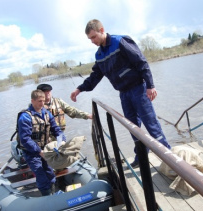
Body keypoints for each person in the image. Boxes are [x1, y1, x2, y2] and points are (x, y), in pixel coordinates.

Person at [70, 19, 170, 168]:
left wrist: (150, 85)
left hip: (139, 89)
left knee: (151, 124)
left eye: (93, 37)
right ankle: (141, 155)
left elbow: (141, 62)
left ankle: (169, 158)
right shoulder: (99, 55)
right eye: (89, 39)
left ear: (102, 30)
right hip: (124, 94)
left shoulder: (120, 42)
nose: (92, 41)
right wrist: (79, 89)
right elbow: (95, 76)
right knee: (132, 127)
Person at [18, 89, 65, 196]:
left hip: (46, 149)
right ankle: (47, 197)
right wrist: (39, 152)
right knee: (41, 174)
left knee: (50, 173)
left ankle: (53, 193)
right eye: (39, 101)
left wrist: (61, 141)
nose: (42, 103)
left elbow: (56, 129)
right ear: (32, 101)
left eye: (43, 101)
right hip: (32, 152)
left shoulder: (47, 113)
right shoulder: (25, 117)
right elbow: (25, 139)